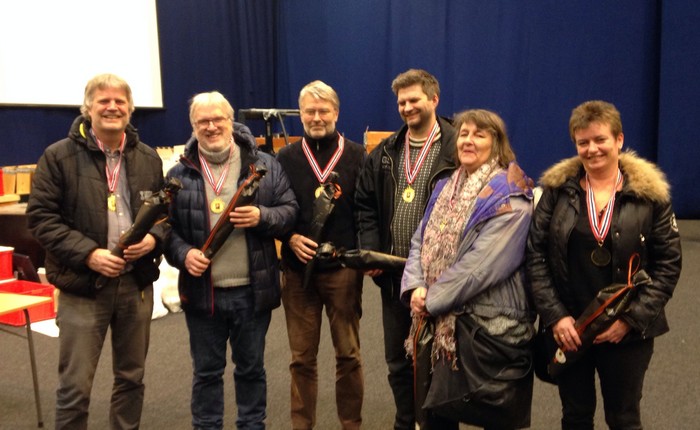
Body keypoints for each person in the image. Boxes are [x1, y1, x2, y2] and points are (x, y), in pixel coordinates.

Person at [527, 100, 682, 429]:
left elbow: (668, 265)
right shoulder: (556, 192)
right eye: (583, 142)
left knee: (624, 418)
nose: (592, 149)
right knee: (575, 416)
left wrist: (630, 320)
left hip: (626, 333)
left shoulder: (650, 196)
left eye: (600, 140)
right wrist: (556, 317)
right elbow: (536, 256)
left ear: (619, 140)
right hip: (571, 328)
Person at [26, 73, 168, 429]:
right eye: (103, 101)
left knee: (132, 379)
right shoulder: (58, 156)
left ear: (130, 109)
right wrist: (89, 254)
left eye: (120, 101)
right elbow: (41, 218)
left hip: (135, 285)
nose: (112, 107)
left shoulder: (149, 159)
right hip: (83, 286)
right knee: (74, 388)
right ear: (87, 108)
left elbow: (167, 216)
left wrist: (154, 239)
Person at [164, 91, 298, 430]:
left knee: (251, 370)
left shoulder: (264, 166)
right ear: (193, 126)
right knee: (206, 373)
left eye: (217, 119)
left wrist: (262, 216)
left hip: (252, 292)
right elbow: (165, 230)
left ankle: (251, 426)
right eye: (202, 121)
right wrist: (184, 254)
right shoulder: (179, 174)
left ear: (230, 121)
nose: (211, 126)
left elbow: (290, 211)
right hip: (202, 294)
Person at [401, 109, 536, 429]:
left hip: (489, 330)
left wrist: (431, 299)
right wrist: (415, 286)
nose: (468, 141)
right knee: (438, 415)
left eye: (479, 134)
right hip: (441, 324)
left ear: (497, 143)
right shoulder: (444, 187)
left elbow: (480, 267)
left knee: (493, 418)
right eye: (463, 134)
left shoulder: (511, 195)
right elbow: (419, 240)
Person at [355, 69, 457, 429]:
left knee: (441, 360)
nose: (407, 107)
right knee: (399, 361)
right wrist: (370, 248)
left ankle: (439, 425)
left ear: (434, 99)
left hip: (442, 279)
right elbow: (365, 203)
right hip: (394, 277)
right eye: (401, 102)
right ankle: (405, 421)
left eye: (414, 99)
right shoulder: (386, 151)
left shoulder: (458, 147)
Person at [276, 80, 367, 429]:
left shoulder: (357, 155)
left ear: (336, 113)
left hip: (342, 270)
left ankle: (351, 424)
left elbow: (367, 212)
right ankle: (302, 425)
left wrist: (361, 257)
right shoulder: (285, 158)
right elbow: (275, 210)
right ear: (300, 114)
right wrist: (288, 237)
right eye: (309, 111)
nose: (316, 117)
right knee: (301, 359)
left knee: (348, 355)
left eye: (323, 110)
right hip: (297, 273)